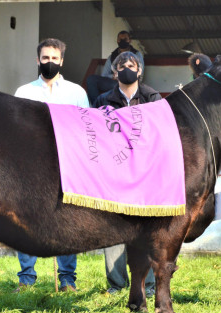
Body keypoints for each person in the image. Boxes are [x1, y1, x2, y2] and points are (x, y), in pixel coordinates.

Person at [14, 38, 89, 292]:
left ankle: (67, 279)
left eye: (54, 59)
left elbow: (85, 130)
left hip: (66, 165)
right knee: (26, 221)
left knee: (66, 221)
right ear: (38, 60)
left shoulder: (76, 93)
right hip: (31, 167)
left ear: (62, 61)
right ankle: (26, 278)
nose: (49, 63)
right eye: (45, 58)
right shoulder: (24, 92)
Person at [93, 51, 161, 296]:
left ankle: (150, 285)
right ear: (114, 73)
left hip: (145, 175)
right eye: (121, 66)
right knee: (113, 228)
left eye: (131, 66)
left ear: (140, 70)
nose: (126, 70)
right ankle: (116, 284)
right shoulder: (102, 99)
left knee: (147, 231)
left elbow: (159, 135)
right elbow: (96, 136)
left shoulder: (153, 98)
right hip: (115, 174)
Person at [86, 31, 144, 105]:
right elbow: (104, 74)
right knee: (91, 79)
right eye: (120, 39)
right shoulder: (113, 56)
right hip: (115, 83)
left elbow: (140, 74)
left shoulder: (137, 54)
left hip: (131, 84)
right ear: (117, 40)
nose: (122, 41)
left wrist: (127, 77)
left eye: (125, 39)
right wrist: (113, 76)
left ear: (130, 40)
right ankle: (97, 107)